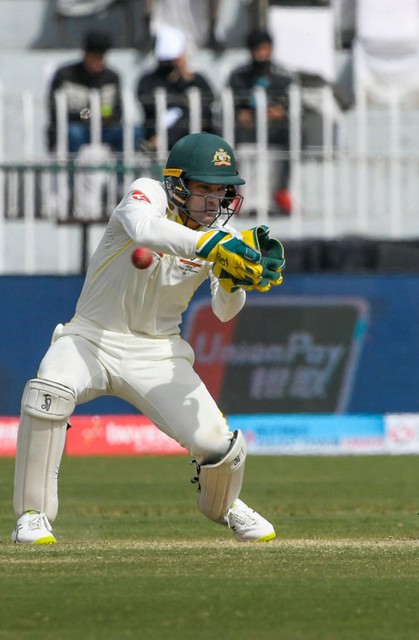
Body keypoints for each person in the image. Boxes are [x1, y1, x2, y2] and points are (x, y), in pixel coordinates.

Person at [10, 132, 286, 545]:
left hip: (158, 353)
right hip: (90, 338)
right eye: (204, 189)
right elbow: (144, 231)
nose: (214, 201)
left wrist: (231, 281)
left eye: (221, 191)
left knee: (218, 444)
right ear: (177, 184)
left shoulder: (221, 239)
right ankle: (32, 516)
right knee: (48, 392)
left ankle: (225, 505)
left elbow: (224, 311)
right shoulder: (147, 194)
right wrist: (216, 247)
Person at [227, 28, 297, 214]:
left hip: (274, 128)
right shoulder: (239, 76)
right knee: (227, 136)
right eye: (258, 49)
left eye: (265, 48)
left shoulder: (283, 76)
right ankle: (234, 190)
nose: (262, 53)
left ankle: (282, 190)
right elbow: (231, 103)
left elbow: (291, 104)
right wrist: (241, 113)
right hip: (246, 129)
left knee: (292, 134)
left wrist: (280, 112)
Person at [137, 25, 216, 153]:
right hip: (157, 130)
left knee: (193, 114)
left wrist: (184, 78)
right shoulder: (148, 80)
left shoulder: (195, 80)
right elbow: (150, 105)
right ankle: (159, 142)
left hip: (192, 138)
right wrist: (183, 103)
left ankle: (161, 141)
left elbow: (207, 102)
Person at [47, 30, 125, 153]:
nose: (97, 63)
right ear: (85, 55)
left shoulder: (111, 78)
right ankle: (70, 171)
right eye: (94, 58)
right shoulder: (66, 76)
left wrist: (101, 117)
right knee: (73, 132)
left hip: (105, 128)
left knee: (129, 133)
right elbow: (56, 111)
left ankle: (122, 171)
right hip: (75, 129)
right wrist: (88, 114)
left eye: (101, 58)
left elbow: (117, 112)